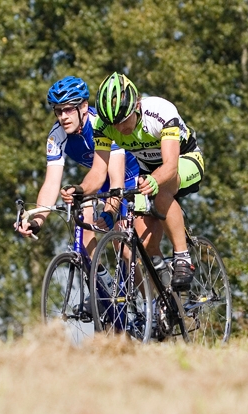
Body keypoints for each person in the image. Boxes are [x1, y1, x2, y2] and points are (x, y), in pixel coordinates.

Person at [60, 72, 205, 289]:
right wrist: (80, 189)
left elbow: (170, 166)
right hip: (148, 172)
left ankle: (183, 257)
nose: (120, 129)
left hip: (184, 160)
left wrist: (154, 180)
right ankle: (166, 297)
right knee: (144, 241)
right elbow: (99, 173)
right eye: (114, 124)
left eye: (123, 120)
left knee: (162, 192)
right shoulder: (103, 126)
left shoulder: (159, 112)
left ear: (136, 106)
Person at [16, 76, 139, 256]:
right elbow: (51, 184)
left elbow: (116, 180)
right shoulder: (56, 136)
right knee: (82, 214)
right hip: (100, 182)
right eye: (58, 111)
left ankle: (140, 284)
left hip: (130, 178)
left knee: (123, 249)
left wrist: (110, 210)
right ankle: (99, 278)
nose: (63, 117)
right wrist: (38, 221)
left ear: (83, 107)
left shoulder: (103, 124)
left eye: (68, 110)